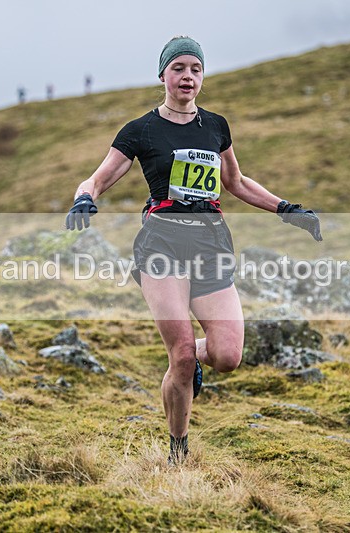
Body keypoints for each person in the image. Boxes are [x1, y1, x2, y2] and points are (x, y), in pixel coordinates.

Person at [66, 36, 321, 464]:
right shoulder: (141, 130)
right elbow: (97, 178)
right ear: (163, 75)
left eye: (195, 69)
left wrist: (287, 209)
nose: (187, 76)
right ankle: (178, 449)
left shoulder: (216, 126)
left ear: (202, 76)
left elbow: (236, 183)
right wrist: (83, 198)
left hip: (209, 243)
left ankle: (190, 361)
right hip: (162, 245)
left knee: (227, 355)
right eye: (179, 68)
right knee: (181, 355)